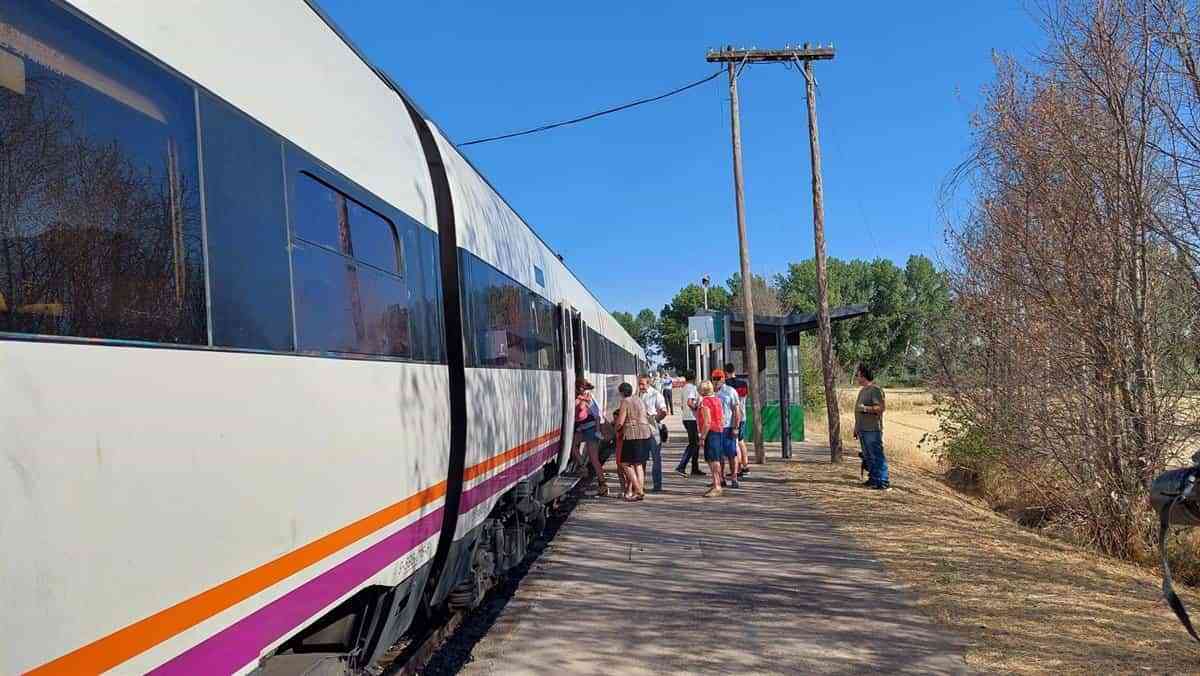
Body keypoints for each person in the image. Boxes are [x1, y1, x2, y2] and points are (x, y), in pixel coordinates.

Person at [614, 381, 654, 500]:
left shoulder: (625, 402)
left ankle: (638, 489)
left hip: (632, 435)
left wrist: (615, 430)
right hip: (645, 433)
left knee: (625, 464)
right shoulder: (639, 399)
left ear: (621, 393)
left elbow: (620, 422)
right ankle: (639, 491)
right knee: (638, 464)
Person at [853, 364, 890, 490]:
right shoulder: (863, 391)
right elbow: (857, 411)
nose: (856, 378)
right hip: (863, 429)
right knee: (868, 455)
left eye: (857, 375)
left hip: (872, 429)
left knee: (877, 454)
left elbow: (881, 408)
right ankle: (873, 479)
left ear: (863, 376)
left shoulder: (875, 390)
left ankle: (883, 481)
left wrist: (865, 408)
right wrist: (856, 427)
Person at [570, 380, 607, 495]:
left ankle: (603, 485)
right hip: (583, 429)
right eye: (579, 388)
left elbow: (597, 416)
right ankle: (583, 466)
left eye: (582, 387)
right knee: (572, 445)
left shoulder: (590, 398)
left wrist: (597, 431)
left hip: (591, 430)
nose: (581, 390)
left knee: (594, 459)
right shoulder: (580, 398)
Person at [638, 374, 669, 492]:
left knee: (656, 458)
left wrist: (654, 420)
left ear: (648, 383)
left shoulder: (655, 394)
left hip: (653, 429)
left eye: (642, 384)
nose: (640, 386)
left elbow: (664, 411)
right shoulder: (639, 394)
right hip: (641, 430)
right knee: (642, 458)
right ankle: (641, 484)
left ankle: (657, 485)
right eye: (639, 383)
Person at [711, 369, 741, 488]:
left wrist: (735, 427)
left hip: (728, 427)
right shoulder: (711, 393)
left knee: (731, 454)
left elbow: (736, 410)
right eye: (715, 378)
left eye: (719, 378)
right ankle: (721, 478)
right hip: (715, 429)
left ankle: (734, 477)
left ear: (724, 378)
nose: (717, 381)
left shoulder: (730, 391)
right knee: (718, 455)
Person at [697, 380, 726, 497]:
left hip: (711, 432)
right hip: (719, 431)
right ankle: (718, 482)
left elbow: (707, 421)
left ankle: (717, 485)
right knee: (717, 459)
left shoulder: (705, 402)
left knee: (712, 460)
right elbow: (722, 417)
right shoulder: (717, 400)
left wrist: (702, 437)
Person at [674, 371, 704, 477]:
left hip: (686, 418)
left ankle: (694, 468)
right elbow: (689, 402)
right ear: (694, 378)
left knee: (695, 444)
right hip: (692, 418)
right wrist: (697, 408)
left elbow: (683, 405)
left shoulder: (684, 388)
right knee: (693, 444)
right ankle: (681, 466)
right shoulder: (692, 388)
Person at [725, 363, 751, 478]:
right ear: (734, 370)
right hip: (743, 415)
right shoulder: (744, 384)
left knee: (735, 443)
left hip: (733, 418)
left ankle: (737, 468)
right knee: (741, 441)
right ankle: (745, 466)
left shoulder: (727, 385)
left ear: (726, 372)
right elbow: (745, 397)